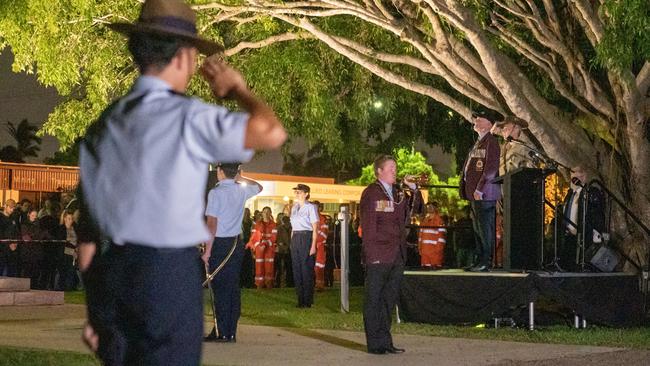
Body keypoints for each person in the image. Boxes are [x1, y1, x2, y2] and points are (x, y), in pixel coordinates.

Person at [75, 0, 286, 363]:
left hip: (114, 274)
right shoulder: (187, 117)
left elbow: (88, 238)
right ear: (184, 57)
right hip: (167, 276)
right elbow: (271, 131)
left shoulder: (104, 126)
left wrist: (96, 311)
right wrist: (237, 89)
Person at [360, 154, 422, 355]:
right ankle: (374, 343)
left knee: (388, 300)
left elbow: (417, 210)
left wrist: (414, 189)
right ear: (379, 171)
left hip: (396, 255)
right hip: (378, 254)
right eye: (391, 168)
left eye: (395, 168)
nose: (395, 171)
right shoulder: (371, 193)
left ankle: (385, 341)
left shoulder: (397, 193)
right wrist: (370, 255)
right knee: (374, 299)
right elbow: (369, 226)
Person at [203, 163, 262, 342]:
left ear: (220, 172)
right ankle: (230, 331)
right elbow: (259, 187)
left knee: (220, 289)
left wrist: (207, 251)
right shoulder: (240, 190)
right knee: (232, 289)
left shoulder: (216, 192)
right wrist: (240, 178)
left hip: (220, 244)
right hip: (235, 244)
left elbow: (211, 223)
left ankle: (222, 332)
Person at [490, 115, 535, 268]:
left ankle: (519, 262)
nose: (503, 131)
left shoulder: (523, 147)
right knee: (505, 229)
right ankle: (505, 262)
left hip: (519, 194)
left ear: (517, 129)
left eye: (507, 128)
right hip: (504, 193)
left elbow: (531, 169)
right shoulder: (504, 147)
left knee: (517, 230)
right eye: (503, 128)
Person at [460, 109, 501, 272]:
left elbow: (490, 169)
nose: (476, 120)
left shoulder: (491, 142)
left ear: (488, 124)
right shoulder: (479, 142)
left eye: (480, 118)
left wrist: (480, 189)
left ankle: (486, 261)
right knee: (478, 228)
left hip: (484, 194)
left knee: (485, 229)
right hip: (475, 194)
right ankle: (479, 260)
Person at [558, 166, 606, 271]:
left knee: (582, 265)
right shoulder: (570, 194)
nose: (573, 180)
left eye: (576, 177)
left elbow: (596, 214)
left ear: (583, 177)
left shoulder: (590, 192)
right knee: (568, 264)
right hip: (569, 236)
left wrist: (595, 232)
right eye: (572, 177)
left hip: (584, 236)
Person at [290, 184, 319, 308]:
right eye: (296, 192)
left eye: (299, 192)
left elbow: (315, 228)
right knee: (297, 269)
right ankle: (300, 299)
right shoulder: (294, 207)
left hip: (306, 236)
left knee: (306, 269)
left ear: (306, 194)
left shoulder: (310, 207)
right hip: (296, 237)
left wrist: (313, 245)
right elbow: (293, 227)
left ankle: (307, 301)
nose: (297, 194)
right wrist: (292, 241)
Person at [246, 206, 277, 289]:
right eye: (264, 212)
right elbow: (253, 237)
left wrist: (266, 243)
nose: (266, 214)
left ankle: (269, 284)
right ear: (262, 213)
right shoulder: (257, 224)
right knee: (259, 266)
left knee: (269, 266)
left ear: (270, 213)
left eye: (268, 212)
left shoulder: (273, 225)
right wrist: (257, 247)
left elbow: (274, 237)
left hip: (269, 249)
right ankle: (259, 284)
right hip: (259, 249)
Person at [418, 202, 446, 269]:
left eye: (431, 206)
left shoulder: (439, 221)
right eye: (428, 206)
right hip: (425, 253)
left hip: (435, 253)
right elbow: (420, 236)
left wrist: (438, 250)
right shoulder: (425, 221)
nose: (429, 208)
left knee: (435, 276)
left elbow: (441, 238)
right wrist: (420, 248)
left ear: (436, 208)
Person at [313, 201, 329, 291]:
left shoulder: (323, 219)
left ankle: (320, 285)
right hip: (311, 245)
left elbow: (324, 234)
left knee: (319, 266)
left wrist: (315, 240)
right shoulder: (308, 218)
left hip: (320, 246)